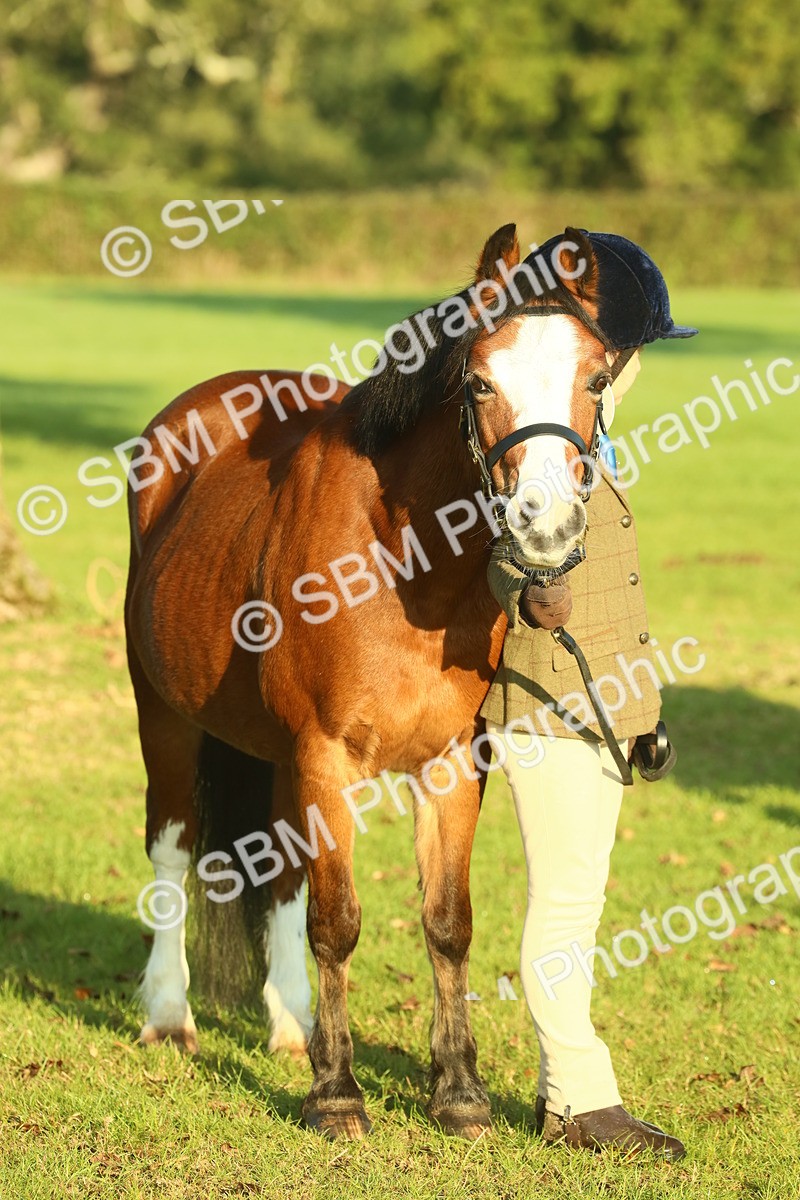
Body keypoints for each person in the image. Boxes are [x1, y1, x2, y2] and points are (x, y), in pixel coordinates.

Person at [480, 232, 697, 1161]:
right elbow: (488, 553)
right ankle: (580, 1100)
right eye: (630, 351)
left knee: (582, 896)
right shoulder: (531, 451)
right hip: (549, 699)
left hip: (604, 702)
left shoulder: (586, 433)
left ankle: (564, 1092)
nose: (631, 369)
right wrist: (518, 580)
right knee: (566, 903)